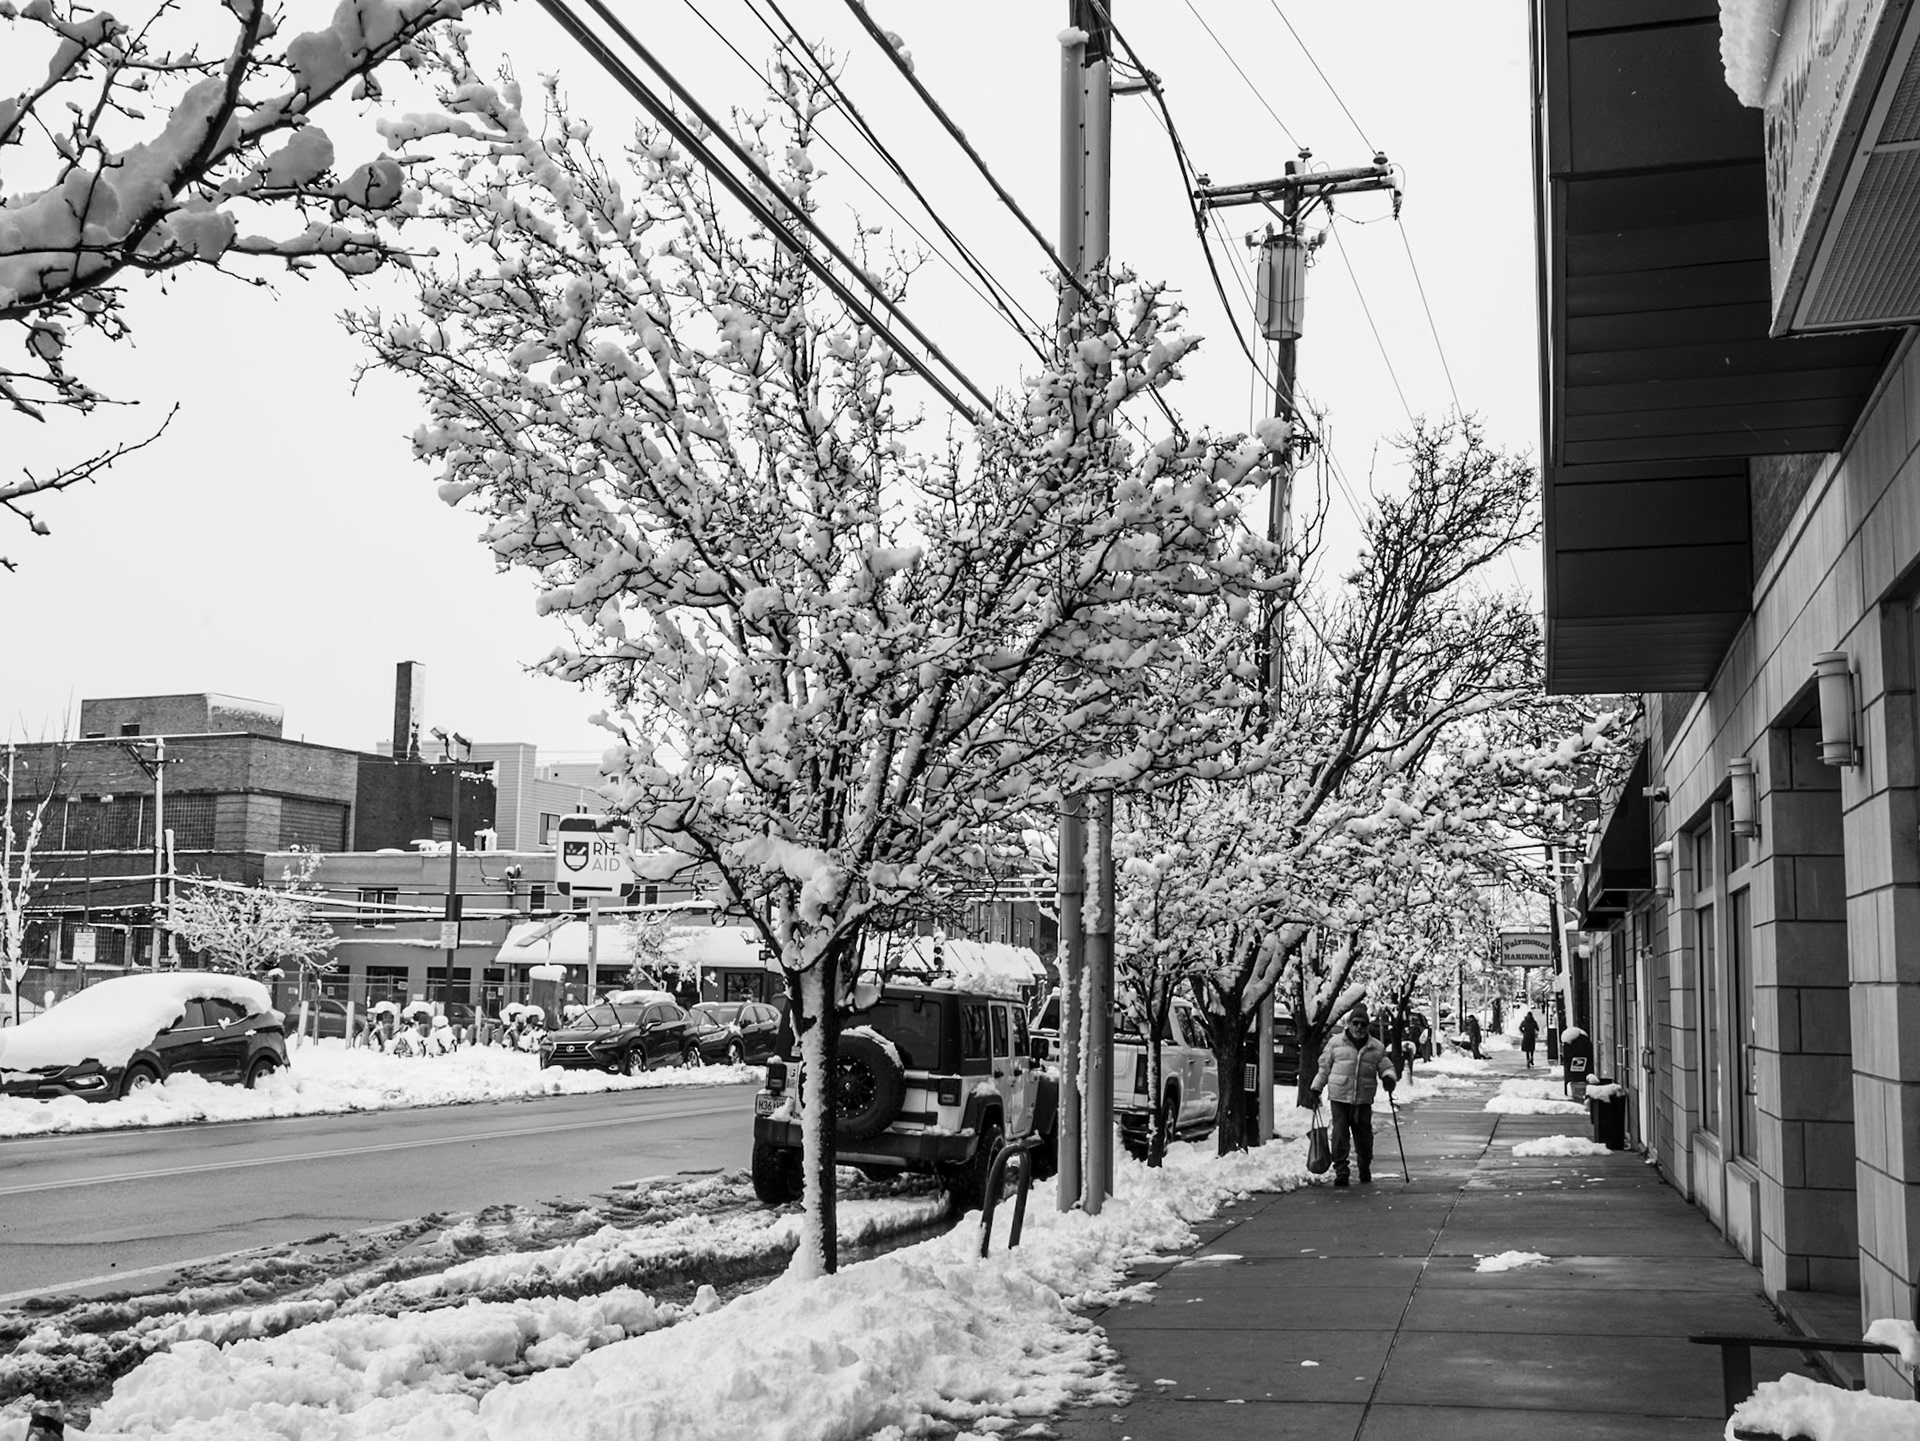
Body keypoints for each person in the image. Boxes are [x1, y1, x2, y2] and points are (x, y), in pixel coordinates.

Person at [1305, 1001, 1398, 1188]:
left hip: (1363, 1099)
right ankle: (1341, 1170)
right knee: (1340, 1134)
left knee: (1364, 1136)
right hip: (1340, 1097)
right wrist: (1316, 1088)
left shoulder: (1376, 1047)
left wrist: (1389, 1078)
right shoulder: (1335, 1043)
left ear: (1367, 1026)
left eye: (1363, 1024)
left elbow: (1386, 1066)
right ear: (1349, 1023)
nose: (1358, 1027)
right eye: (1355, 1023)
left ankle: (1364, 1166)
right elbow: (1324, 1068)